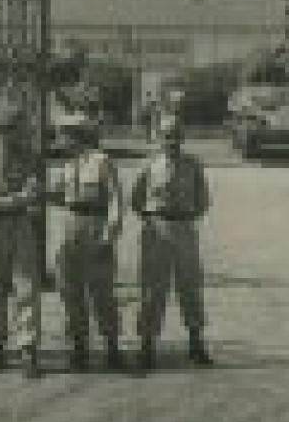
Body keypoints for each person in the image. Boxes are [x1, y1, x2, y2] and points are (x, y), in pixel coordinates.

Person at [129, 112, 214, 371]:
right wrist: (155, 219)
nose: (172, 141)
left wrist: (185, 218)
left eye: (176, 135)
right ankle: (147, 346)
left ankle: (196, 344)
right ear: (159, 137)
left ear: (182, 137)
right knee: (152, 288)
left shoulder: (193, 165)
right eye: (167, 136)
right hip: (157, 228)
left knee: (190, 286)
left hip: (185, 227)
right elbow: (136, 200)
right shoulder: (148, 165)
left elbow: (203, 200)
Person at [0, 97, 45, 377]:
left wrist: (2, 201)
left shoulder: (29, 156)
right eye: (10, 127)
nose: (16, 132)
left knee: (26, 287)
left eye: (17, 126)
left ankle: (28, 349)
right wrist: (6, 201)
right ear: (1, 128)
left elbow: (31, 194)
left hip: (20, 224)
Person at [51, 118, 125, 371]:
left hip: (95, 224)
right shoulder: (67, 165)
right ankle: (79, 347)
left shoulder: (101, 161)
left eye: (63, 136)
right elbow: (59, 196)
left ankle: (112, 347)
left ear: (76, 136)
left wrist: (110, 233)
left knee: (101, 289)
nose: (60, 141)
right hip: (70, 225)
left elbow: (115, 198)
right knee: (70, 289)